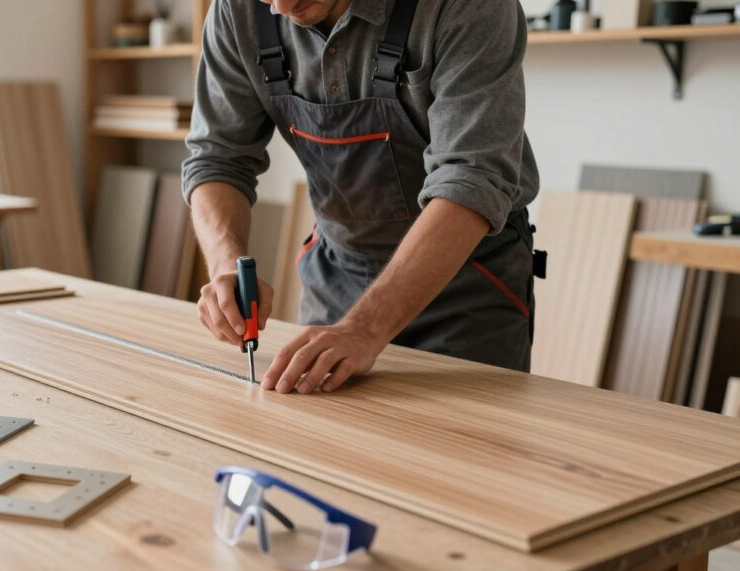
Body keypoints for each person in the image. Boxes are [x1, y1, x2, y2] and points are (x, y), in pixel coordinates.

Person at [183, 0, 541, 394]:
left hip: (467, 286)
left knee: (460, 447)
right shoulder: (238, 9)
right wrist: (224, 266)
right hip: (336, 276)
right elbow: (217, 159)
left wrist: (366, 327)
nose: (282, 7)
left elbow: (472, 178)